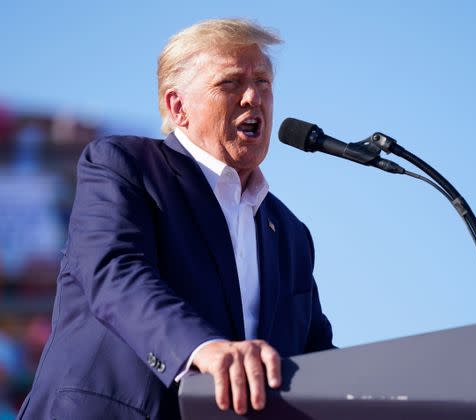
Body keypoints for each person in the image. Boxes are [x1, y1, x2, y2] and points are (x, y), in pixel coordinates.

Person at [17, 18, 333, 420]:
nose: (254, 97)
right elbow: (116, 273)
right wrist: (203, 348)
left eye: (264, 83)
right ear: (177, 107)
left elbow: (317, 357)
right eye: (231, 83)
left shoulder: (290, 235)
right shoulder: (124, 166)